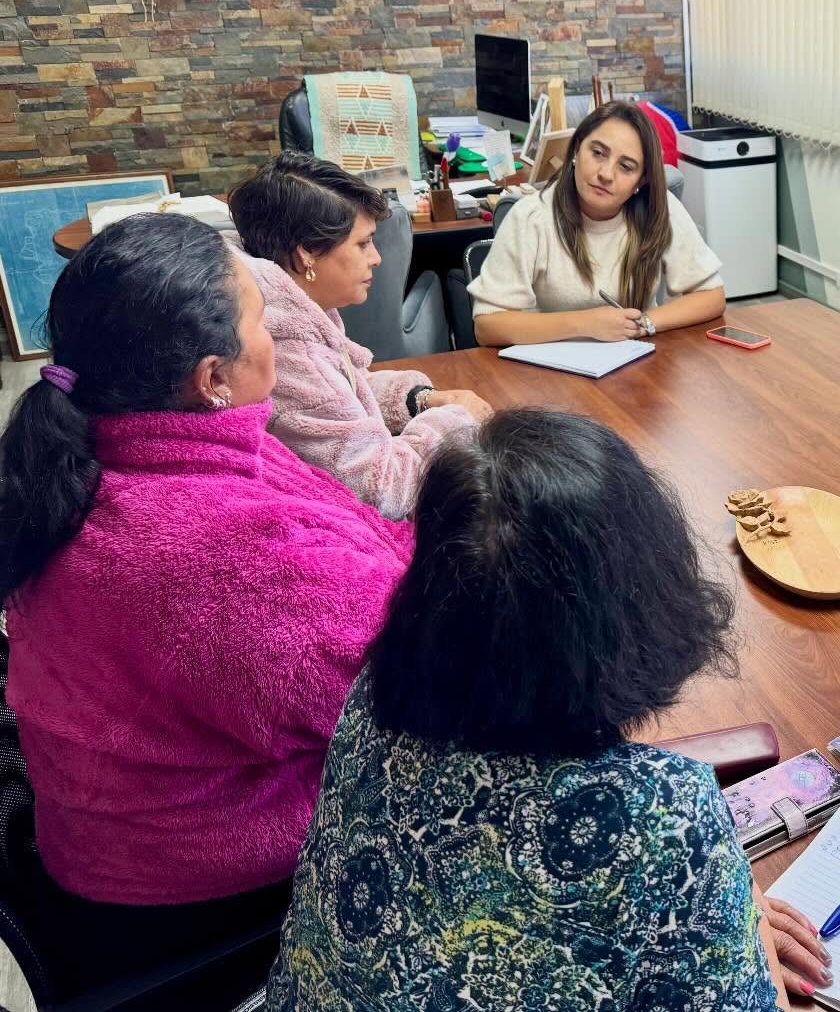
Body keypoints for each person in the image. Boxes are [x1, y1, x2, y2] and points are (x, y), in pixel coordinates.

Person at [266, 411, 829, 1010]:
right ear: (634, 604)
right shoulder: (665, 819)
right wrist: (745, 937)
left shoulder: (375, 694)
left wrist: (707, 905)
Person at [0, 214, 412, 989]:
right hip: (200, 904)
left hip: (117, 845)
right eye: (266, 325)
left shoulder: (118, 447)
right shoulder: (221, 557)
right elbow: (411, 692)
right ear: (213, 377)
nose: (278, 345)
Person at [229, 152, 491, 519]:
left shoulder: (287, 301)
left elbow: (343, 388)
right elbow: (385, 490)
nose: (377, 258)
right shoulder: (289, 353)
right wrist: (453, 422)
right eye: (364, 243)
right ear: (306, 253)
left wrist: (419, 400)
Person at [468, 101, 726, 346]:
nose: (605, 174)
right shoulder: (530, 216)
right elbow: (487, 325)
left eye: (626, 167)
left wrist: (642, 324)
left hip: (636, 365)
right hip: (550, 370)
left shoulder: (659, 208)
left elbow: (711, 295)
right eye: (598, 153)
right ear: (577, 149)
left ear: (641, 181)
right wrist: (585, 324)